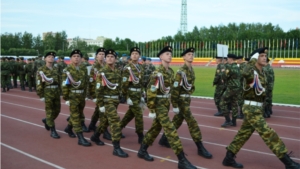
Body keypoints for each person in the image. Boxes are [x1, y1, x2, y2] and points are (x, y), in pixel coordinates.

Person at [222, 47, 300, 169]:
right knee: (269, 134)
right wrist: (252, 60)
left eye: (265, 56)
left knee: (243, 135)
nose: (265, 58)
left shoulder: (261, 73)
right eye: (262, 55)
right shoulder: (250, 71)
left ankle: (228, 157)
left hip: (257, 109)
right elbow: (244, 73)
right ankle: (288, 162)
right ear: (255, 58)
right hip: (251, 108)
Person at [138, 46, 196, 169]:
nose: (169, 55)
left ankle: (142, 150)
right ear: (161, 57)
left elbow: (171, 90)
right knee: (170, 130)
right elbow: (151, 92)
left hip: (165, 105)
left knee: (155, 129)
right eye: (167, 54)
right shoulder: (156, 73)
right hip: (158, 106)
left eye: (170, 53)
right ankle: (182, 160)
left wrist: (174, 105)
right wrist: (152, 110)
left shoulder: (170, 72)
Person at [158, 47, 212, 159]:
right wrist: (175, 105)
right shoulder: (180, 72)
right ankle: (200, 147)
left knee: (177, 121)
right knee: (192, 122)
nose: (191, 56)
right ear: (183, 57)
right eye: (188, 54)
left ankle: (164, 139)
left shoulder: (191, 70)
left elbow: (191, 87)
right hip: (181, 101)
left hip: (187, 99)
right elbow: (175, 89)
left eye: (192, 54)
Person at [91, 49, 129, 157]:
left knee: (105, 122)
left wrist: (122, 96)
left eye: (112, 57)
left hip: (115, 100)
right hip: (107, 101)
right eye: (107, 56)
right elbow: (98, 90)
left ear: (116, 59)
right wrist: (101, 104)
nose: (109, 58)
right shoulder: (102, 72)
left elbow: (120, 85)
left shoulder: (117, 71)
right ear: (105, 58)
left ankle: (95, 136)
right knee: (115, 122)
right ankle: (116, 148)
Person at [62, 49, 91, 146]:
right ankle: (80, 138)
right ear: (70, 58)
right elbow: (65, 85)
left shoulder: (83, 68)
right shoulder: (67, 70)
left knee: (79, 114)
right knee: (75, 116)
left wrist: (87, 94)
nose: (76, 58)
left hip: (81, 95)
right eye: (74, 56)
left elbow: (86, 82)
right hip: (72, 96)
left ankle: (68, 128)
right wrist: (67, 98)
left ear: (81, 58)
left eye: (78, 56)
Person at [120, 47, 145, 144]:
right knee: (138, 114)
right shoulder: (127, 68)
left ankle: (118, 128)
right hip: (131, 94)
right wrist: (127, 97)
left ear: (139, 56)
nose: (135, 55)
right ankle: (140, 135)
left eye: (136, 53)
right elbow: (124, 83)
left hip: (138, 94)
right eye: (133, 53)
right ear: (130, 56)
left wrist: (142, 94)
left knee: (130, 114)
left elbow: (141, 82)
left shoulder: (141, 67)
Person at [88, 47, 112, 140]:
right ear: (96, 56)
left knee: (98, 111)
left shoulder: (107, 66)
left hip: (106, 92)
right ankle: (105, 131)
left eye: (103, 54)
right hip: (98, 92)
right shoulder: (94, 67)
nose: (102, 56)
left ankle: (92, 125)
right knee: (103, 112)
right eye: (100, 54)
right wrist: (93, 95)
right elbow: (91, 82)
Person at [37, 52, 61, 139]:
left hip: (56, 91)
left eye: (52, 57)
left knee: (58, 110)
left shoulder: (56, 69)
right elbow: (39, 83)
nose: (51, 58)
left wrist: (60, 92)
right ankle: (53, 130)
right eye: (49, 57)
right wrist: (41, 95)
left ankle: (47, 121)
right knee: (50, 111)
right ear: (45, 59)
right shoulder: (41, 70)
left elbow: (59, 80)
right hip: (47, 92)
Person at [219, 54, 241, 127]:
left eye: (228, 58)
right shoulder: (237, 67)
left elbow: (224, 76)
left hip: (231, 87)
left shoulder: (230, 67)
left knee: (222, 102)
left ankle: (228, 120)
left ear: (231, 59)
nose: (227, 59)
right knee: (234, 103)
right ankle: (234, 121)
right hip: (237, 87)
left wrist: (222, 71)